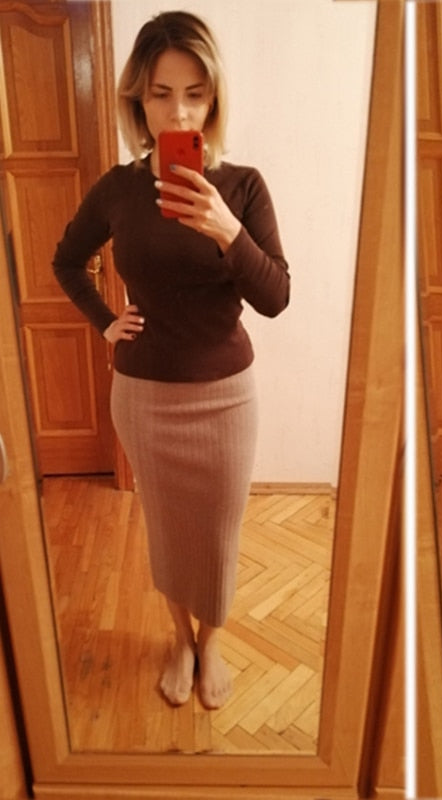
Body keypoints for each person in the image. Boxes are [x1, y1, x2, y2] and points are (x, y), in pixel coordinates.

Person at [53, 11, 290, 710]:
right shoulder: (118, 189)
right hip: (145, 397)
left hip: (225, 397)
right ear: (138, 99)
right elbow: (66, 261)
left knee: (216, 535)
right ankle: (180, 640)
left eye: (194, 93)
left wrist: (227, 230)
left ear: (214, 98)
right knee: (166, 529)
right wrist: (106, 321)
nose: (179, 112)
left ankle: (211, 641)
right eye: (161, 94)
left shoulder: (242, 187)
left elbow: (276, 296)